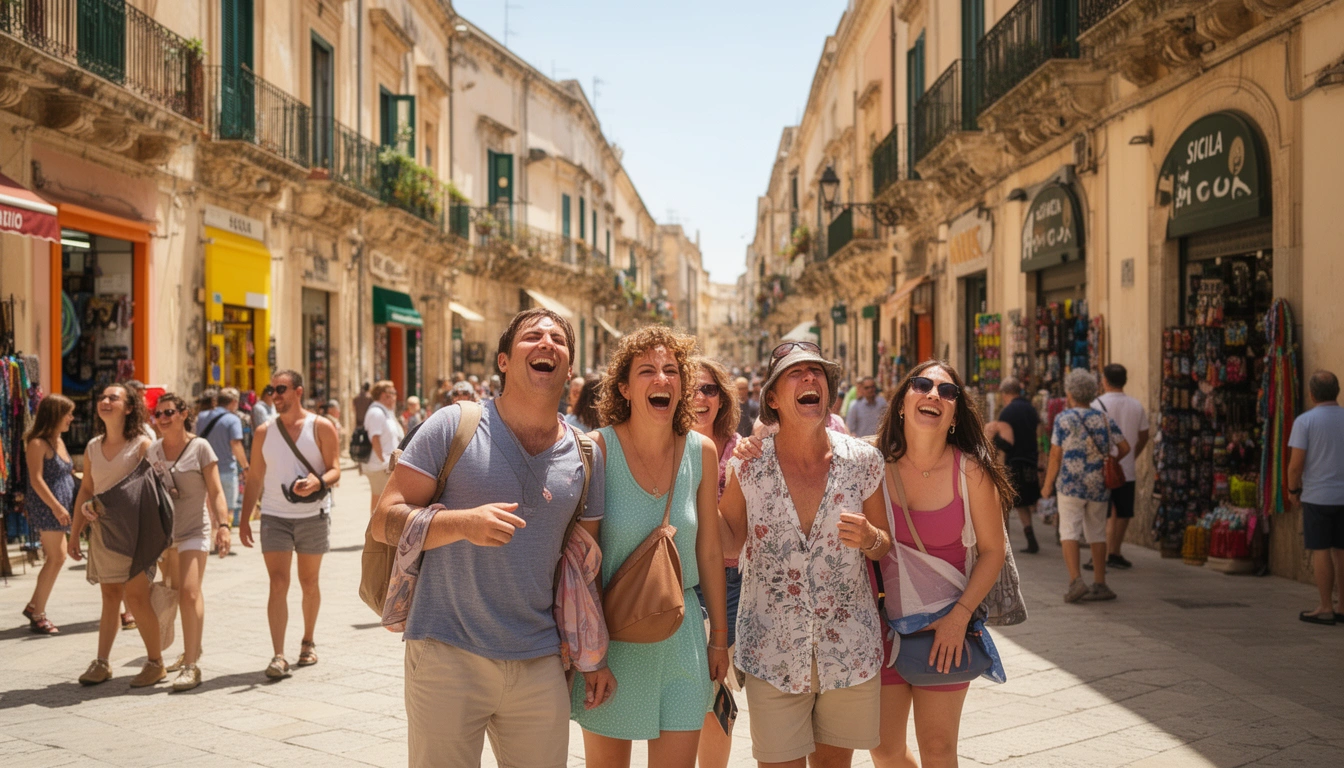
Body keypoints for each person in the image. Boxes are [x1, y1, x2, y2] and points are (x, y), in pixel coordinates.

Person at [371, 308, 612, 767]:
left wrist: (593, 655)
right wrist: (461, 524)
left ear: (569, 366)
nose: (546, 344)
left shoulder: (586, 454)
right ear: (503, 360)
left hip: (540, 659)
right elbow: (383, 519)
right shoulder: (453, 425)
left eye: (558, 340)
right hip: (446, 650)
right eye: (532, 336)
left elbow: (585, 568)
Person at [721, 340, 892, 768]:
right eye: (795, 373)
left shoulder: (863, 461)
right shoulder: (748, 466)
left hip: (848, 649)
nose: (810, 378)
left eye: (817, 372)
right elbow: (726, 543)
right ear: (773, 399)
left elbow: (884, 546)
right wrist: (705, 469)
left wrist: (870, 537)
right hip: (771, 651)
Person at [574, 326, 728, 768]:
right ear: (623, 387)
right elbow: (582, 560)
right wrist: (588, 655)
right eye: (647, 371)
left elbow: (711, 552)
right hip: (612, 643)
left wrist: (718, 638)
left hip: (682, 641)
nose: (662, 379)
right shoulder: (597, 449)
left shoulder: (702, 450)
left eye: (671, 371)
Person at [868, 361, 1012, 768]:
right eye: (922, 385)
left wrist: (959, 617)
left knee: (937, 749)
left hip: (948, 628)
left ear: (953, 415)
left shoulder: (972, 472)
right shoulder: (870, 464)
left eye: (947, 392)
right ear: (902, 403)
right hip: (882, 627)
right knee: (883, 747)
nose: (934, 394)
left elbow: (993, 550)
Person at [238, 370, 341, 678]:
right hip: (274, 515)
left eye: (281, 389)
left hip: (313, 515)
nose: (275, 395)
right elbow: (255, 478)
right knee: (278, 583)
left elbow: (336, 470)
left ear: (299, 391)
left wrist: (317, 481)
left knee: (309, 582)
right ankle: (278, 655)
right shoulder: (263, 432)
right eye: (271, 390)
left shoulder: (321, 426)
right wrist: (244, 520)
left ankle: (308, 641)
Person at [68, 383, 164, 687]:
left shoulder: (142, 445)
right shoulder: (94, 446)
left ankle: (155, 662)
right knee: (110, 597)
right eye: (102, 398)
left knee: (137, 598)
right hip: (104, 532)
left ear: (129, 407)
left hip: (136, 535)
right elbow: (86, 489)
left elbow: (155, 490)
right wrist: (74, 533)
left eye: (113, 398)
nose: (105, 402)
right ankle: (102, 663)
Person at [148, 393, 232, 691]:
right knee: (169, 593)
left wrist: (223, 525)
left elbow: (216, 491)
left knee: (189, 592)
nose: (163, 418)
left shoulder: (200, 448)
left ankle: (191, 665)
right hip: (164, 533)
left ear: (184, 414)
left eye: (169, 412)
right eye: (158, 414)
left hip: (195, 529)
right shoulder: (153, 451)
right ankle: (184, 650)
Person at [687, 357, 742, 768]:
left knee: (717, 688)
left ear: (722, 399)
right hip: (680, 578)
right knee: (686, 689)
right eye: (689, 388)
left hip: (729, 578)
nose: (699, 397)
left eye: (708, 389)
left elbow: (734, 537)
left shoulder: (741, 451)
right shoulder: (664, 446)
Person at [1041, 369, 1130, 603]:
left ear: (1070, 393)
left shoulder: (1063, 419)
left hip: (1070, 484)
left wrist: (1047, 485)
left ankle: (1076, 581)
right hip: (1099, 485)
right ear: (1092, 394)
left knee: (1069, 530)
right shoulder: (1103, 419)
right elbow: (1125, 448)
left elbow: (1055, 456)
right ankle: (1100, 583)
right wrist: (1109, 462)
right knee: (1097, 532)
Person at [1288, 370, 1344, 625]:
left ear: (1311, 394)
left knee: (1321, 549)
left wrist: (1292, 490)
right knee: (1342, 551)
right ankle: (1342, 605)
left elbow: (1295, 465)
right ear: (1338, 391)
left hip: (1318, 497)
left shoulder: (1305, 422)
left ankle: (1325, 606)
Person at [21, 394, 77, 635]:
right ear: (55, 415)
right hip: (47, 506)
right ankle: (38, 614)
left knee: (58, 557)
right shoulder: (37, 443)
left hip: (61, 506)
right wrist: (56, 506)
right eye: (68, 414)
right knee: (56, 557)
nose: (72, 419)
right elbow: (36, 479)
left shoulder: (59, 441)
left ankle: (35, 605)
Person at [1089, 364, 1149, 571]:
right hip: (1126, 468)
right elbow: (1144, 436)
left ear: (1104, 380)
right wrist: (1131, 455)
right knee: (1123, 512)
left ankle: (1100, 554)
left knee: (1101, 512)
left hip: (1100, 468)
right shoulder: (1136, 405)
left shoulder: (1096, 405)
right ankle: (1115, 552)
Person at [994, 378, 1043, 554]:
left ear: (1005, 393)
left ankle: (1003, 543)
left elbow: (1007, 443)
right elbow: (1039, 433)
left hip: (1013, 463)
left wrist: (992, 437)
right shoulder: (1031, 409)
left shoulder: (1007, 412)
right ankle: (1031, 538)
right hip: (1030, 461)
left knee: (1004, 502)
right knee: (1023, 502)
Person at [197, 388, 249, 527]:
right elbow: (236, 444)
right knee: (227, 508)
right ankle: (222, 540)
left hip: (204, 470)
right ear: (233, 402)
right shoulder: (233, 419)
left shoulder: (201, 417)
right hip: (226, 469)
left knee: (209, 509)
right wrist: (245, 467)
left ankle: (213, 539)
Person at [361, 380, 403, 512]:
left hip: (385, 465)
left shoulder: (385, 412)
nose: (396, 396)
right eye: (393, 393)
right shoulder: (376, 412)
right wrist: (384, 462)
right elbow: (375, 439)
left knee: (383, 501)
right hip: (380, 466)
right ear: (384, 395)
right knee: (379, 502)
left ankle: (377, 530)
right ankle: (374, 531)